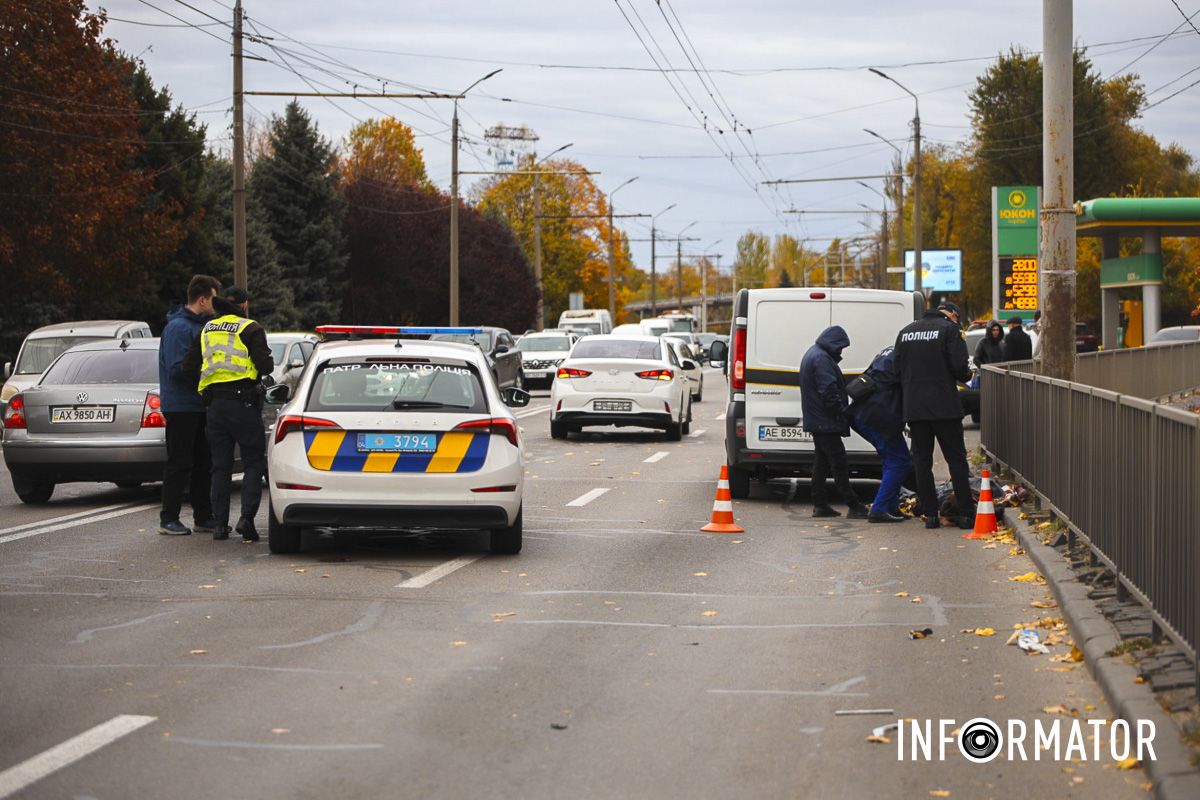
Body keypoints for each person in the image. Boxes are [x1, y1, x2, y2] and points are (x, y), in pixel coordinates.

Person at [181, 288, 273, 542]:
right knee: (253, 462)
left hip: (215, 406)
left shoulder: (207, 329)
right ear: (244, 305)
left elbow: (187, 368)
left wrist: (205, 391)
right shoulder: (250, 328)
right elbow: (265, 366)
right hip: (243, 404)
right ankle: (247, 519)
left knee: (220, 467)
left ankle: (220, 525)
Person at [893, 300, 975, 530]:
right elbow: (960, 368)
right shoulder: (949, 330)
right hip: (944, 408)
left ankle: (930, 515)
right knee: (956, 460)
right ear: (950, 314)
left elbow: (896, 369)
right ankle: (966, 514)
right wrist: (966, 374)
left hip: (915, 408)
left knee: (921, 461)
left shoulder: (906, 332)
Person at [157, 274, 221, 536]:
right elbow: (177, 369)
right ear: (203, 299)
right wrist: (210, 374)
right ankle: (168, 518)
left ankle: (203, 516)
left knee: (203, 463)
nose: (216, 305)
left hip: (199, 405)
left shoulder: (201, 325)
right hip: (181, 406)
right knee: (180, 463)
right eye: (214, 299)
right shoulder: (179, 328)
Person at [799, 325, 870, 519]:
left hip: (818, 420)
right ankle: (853, 505)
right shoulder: (821, 359)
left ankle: (820, 504)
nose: (841, 351)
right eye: (840, 347)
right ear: (833, 343)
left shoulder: (814, 354)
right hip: (825, 421)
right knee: (839, 462)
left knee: (821, 463)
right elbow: (828, 391)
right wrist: (841, 412)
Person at [848, 346, 912, 523]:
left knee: (892, 461)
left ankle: (891, 507)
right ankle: (879, 509)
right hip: (878, 416)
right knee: (900, 462)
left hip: (862, 413)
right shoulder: (907, 356)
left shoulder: (891, 351)